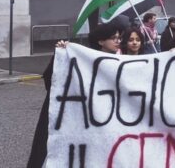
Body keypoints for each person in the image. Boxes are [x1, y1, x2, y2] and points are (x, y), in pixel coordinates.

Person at [27, 23, 123, 167]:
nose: (117, 41)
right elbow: (53, 81)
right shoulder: (82, 60)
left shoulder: (121, 60)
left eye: (119, 38)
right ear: (101, 41)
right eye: (113, 38)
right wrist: (60, 55)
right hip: (80, 121)